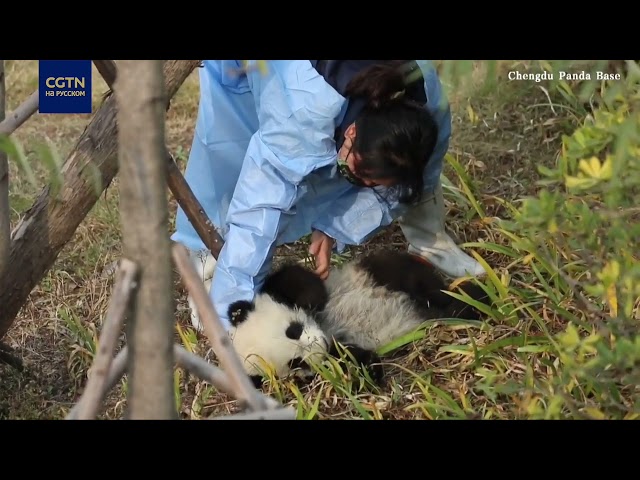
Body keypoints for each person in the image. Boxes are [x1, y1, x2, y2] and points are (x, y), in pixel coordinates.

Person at [171, 60, 485, 331]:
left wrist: (337, 226)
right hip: (256, 68)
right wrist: (233, 309)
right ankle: (205, 259)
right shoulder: (305, 109)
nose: (366, 187)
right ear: (351, 133)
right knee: (229, 147)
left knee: (393, 173)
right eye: (358, 176)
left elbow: (420, 178)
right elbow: (261, 207)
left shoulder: (427, 102)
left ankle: (432, 244)